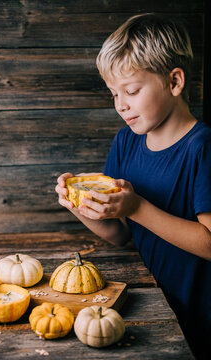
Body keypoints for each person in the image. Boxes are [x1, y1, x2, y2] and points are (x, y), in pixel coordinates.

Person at [55, 13, 211, 359]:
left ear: (174, 82)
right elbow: (121, 233)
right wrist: (81, 206)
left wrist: (137, 206)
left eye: (132, 90)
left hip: (202, 314)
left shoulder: (202, 148)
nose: (121, 104)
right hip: (154, 306)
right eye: (114, 93)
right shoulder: (126, 143)